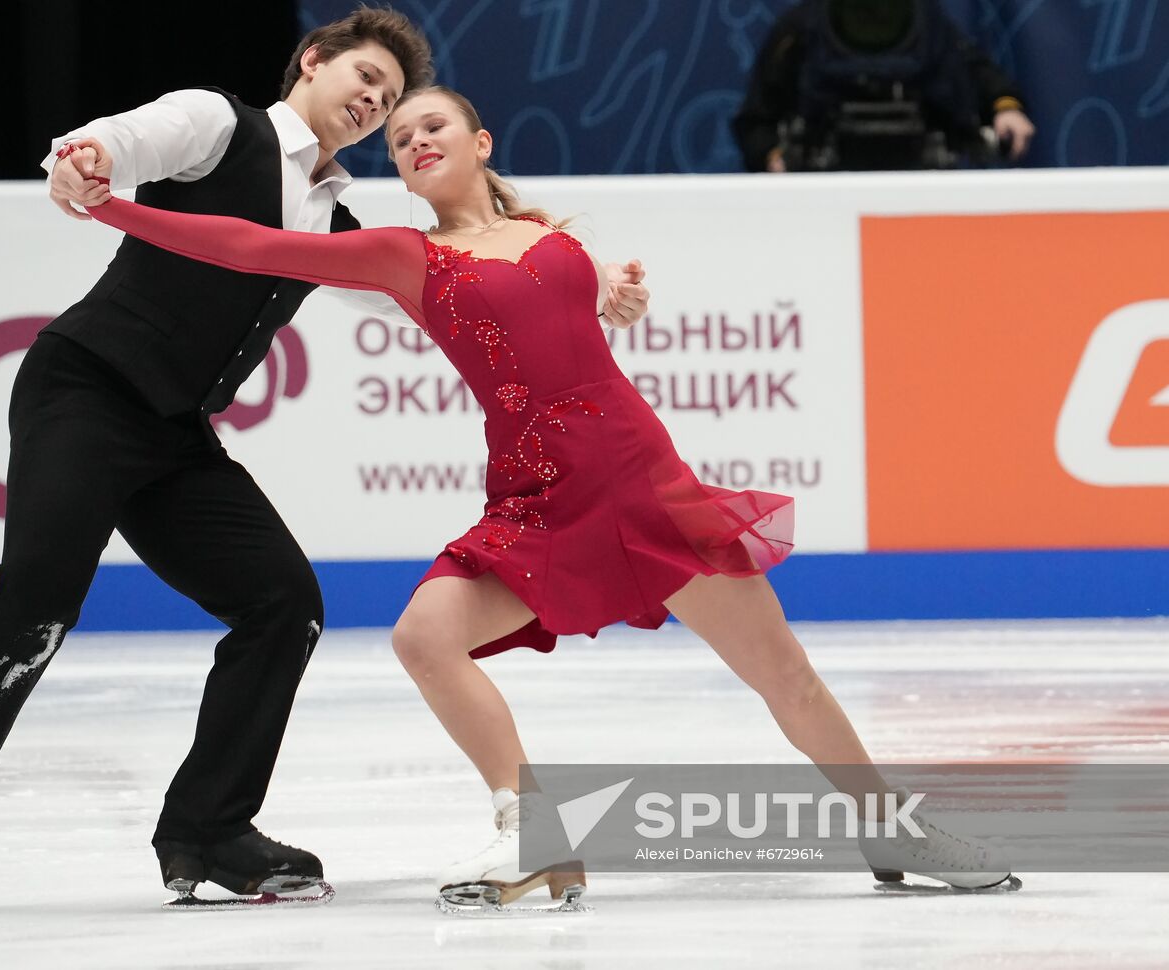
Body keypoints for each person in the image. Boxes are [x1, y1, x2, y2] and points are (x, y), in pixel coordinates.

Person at [78, 85, 1018, 908]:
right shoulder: (405, 256)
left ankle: (894, 829)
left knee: (785, 674)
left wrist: (620, 291)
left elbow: (583, 299)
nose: (415, 143)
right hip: (539, 498)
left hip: (641, 478)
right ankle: (533, 826)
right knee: (424, 635)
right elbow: (249, 245)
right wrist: (119, 209)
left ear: (481, 143)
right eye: (401, 141)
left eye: (432, 125)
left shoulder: (555, 237)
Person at [0, 6, 442, 907]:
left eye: (393, 95)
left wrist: (570, 288)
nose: (375, 100)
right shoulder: (221, 125)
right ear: (312, 61)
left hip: (174, 432)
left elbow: (440, 290)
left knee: (282, 602)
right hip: (85, 392)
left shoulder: (335, 221)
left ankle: (207, 830)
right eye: (364, 76)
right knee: (38, 607)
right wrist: (88, 159)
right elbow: (126, 142)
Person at [732, 0, 1036, 173]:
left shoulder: (929, 23)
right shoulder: (800, 27)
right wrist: (772, 158)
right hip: (818, 201)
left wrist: (1005, 107)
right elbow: (756, 119)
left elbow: (973, 70)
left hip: (921, 192)